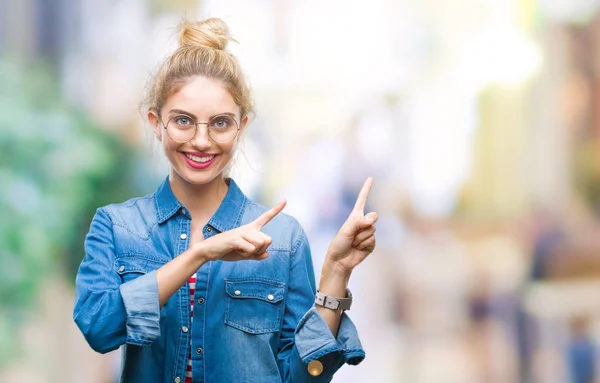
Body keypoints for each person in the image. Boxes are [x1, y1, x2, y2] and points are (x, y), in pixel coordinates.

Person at [73, 17, 378, 383]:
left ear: (241, 126)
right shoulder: (117, 226)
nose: (202, 141)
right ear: (156, 122)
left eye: (219, 123)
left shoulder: (283, 238)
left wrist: (337, 273)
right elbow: (99, 327)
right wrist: (200, 253)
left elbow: (302, 377)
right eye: (183, 121)